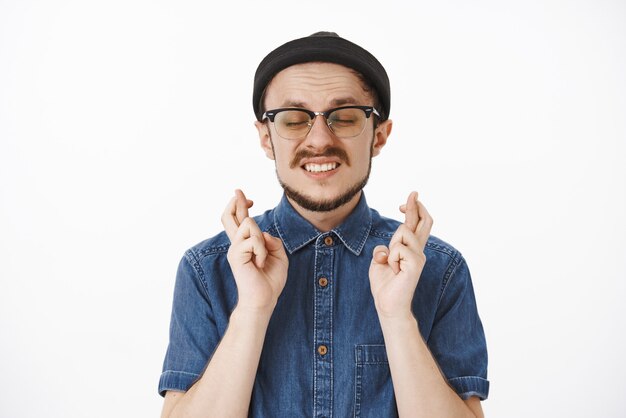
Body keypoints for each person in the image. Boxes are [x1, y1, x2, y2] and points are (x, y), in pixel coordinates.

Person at [158, 31, 489, 418]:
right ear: (266, 138)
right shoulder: (207, 269)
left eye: (344, 118)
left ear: (379, 135)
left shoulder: (438, 269)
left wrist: (398, 318)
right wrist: (251, 309)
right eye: (294, 119)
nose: (319, 139)